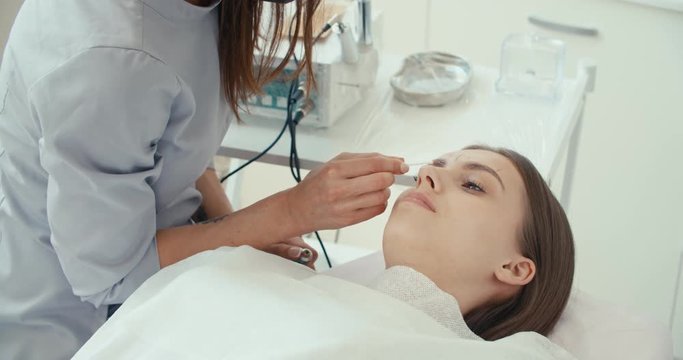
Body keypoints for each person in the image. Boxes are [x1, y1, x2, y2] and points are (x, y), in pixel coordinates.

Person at [0, 0, 407, 358]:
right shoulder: (111, 59)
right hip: (72, 327)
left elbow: (179, 153)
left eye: (472, 183)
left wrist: (250, 237)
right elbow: (111, 276)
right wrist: (287, 212)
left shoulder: (204, 11)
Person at [72, 145, 577, 359]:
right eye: (436, 164)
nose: (428, 174)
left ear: (515, 267)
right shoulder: (267, 276)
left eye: (472, 185)